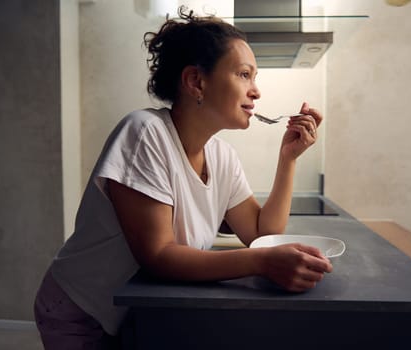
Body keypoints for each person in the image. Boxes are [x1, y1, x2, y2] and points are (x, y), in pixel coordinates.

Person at [34, 7, 332, 350]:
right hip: (80, 310)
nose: (256, 91)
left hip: (133, 310)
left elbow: (263, 234)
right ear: (195, 81)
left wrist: (288, 159)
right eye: (244, 74)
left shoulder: (222, 157)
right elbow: (158, 255)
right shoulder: (144, 133)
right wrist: (262, 262)